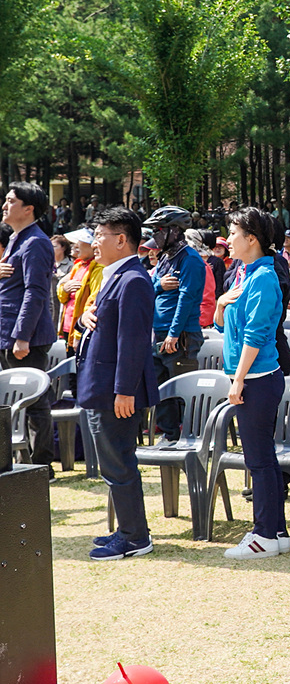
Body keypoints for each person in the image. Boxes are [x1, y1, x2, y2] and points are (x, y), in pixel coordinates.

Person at [79, 208, 160, 560]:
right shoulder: (115, 275)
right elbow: (105, 323)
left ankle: (134, 538)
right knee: (112, 464)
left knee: (119, 463)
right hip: (103, 385)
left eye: (100, 235)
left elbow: (134, 341)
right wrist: (84, 317)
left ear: (122, 239)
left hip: (117, 391)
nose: (95, 242)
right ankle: (129, 528)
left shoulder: (133, 280)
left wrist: (125, 390)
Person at [215, 208, 288, 559]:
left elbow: (256, 335)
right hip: (250, 378)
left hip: (257, 379)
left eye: (234, 233)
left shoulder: (263, 277)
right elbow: (225, 327)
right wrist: (220, 304)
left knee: (258, 461)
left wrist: (239, 379)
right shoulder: (245, 273)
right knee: (263, 460)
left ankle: (264, 535)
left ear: (252, 239)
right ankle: (276, 531)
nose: (229, 239)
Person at [0, 183, 58, 474]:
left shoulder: (35, 241)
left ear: (28, 208)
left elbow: (36, 292)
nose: (4, 206)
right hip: (7, 333)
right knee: (14, 401)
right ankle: (24, 464)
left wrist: (22, 336)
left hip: (24, 337)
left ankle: (41, 466)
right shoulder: (17, 239)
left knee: (34, 402)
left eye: (11, 201)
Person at [144, 206, 206, 442]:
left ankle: (189, 438)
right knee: (161, 388)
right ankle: (169, 435)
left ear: (176, 231)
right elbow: (148, 290)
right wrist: (158, 286)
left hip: (181, 336)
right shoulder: (164, 259)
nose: (155, 236)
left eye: (159, 230)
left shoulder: (190, 260)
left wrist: (173, 333)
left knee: (182, 390)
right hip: (159, 333)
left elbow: (187, 300)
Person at [56, 230, 97, 343]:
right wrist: (64, 290)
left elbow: (91, 302)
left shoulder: (97, 268)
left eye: (80, 241)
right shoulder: (78, 266)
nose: (76, 246)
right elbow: (62, 295)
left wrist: (79, 333)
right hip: (68, 327)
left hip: (80, 329)